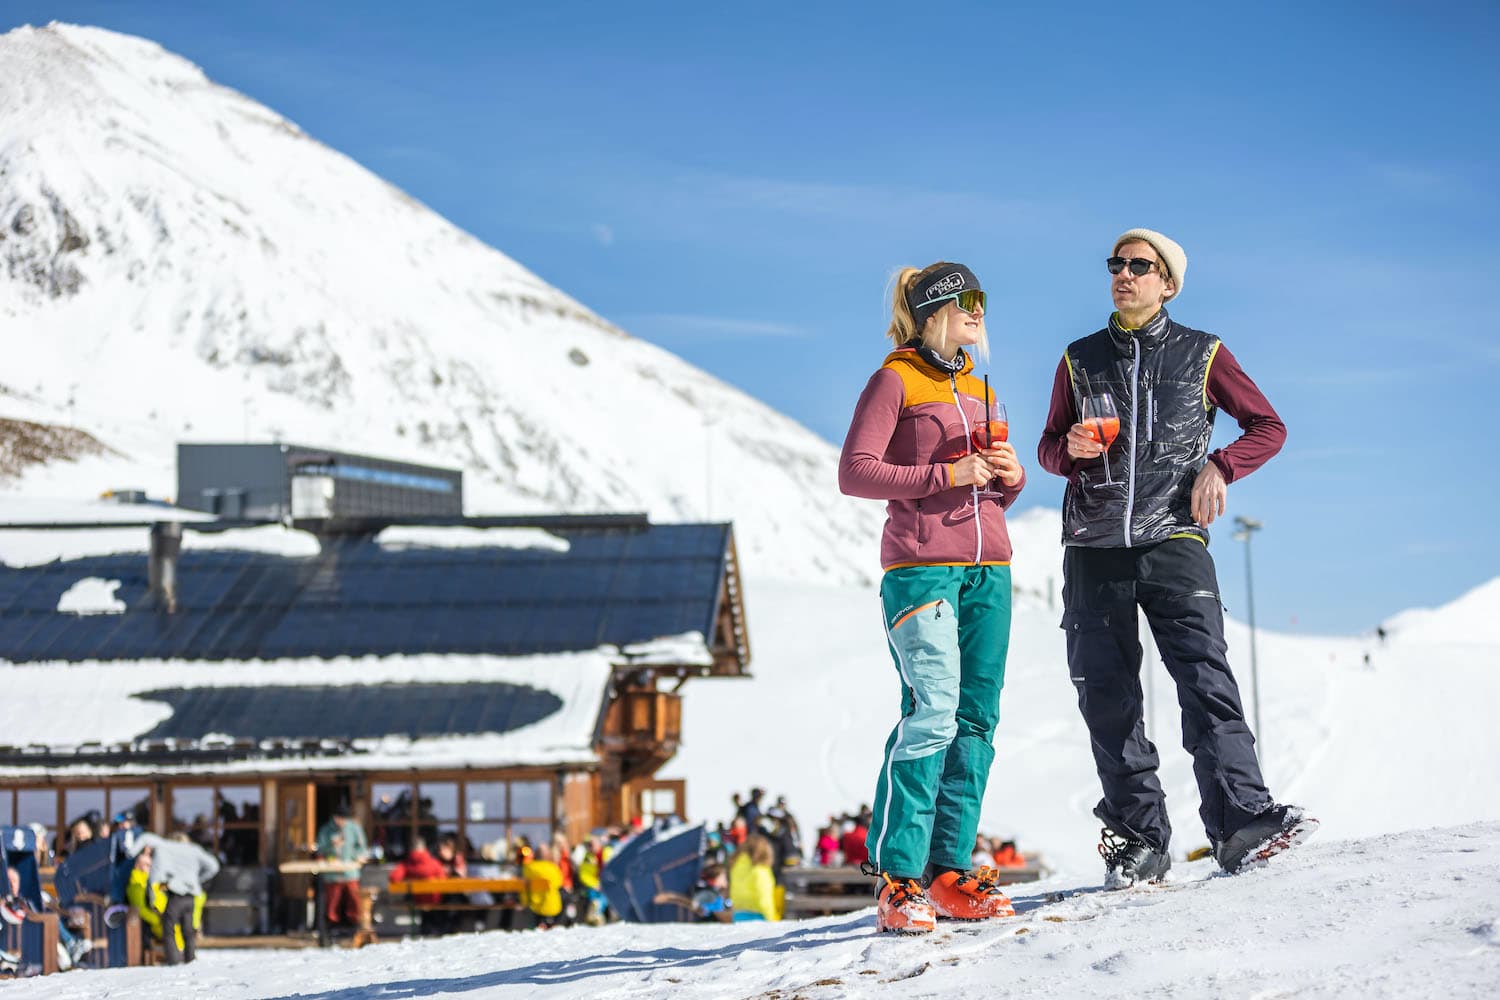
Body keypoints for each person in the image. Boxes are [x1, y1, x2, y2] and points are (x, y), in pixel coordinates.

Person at [1037, 227, 1317, 885]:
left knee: (1204, 678)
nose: (1124, 274)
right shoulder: (1079, 359)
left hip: (1175, 538)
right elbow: (1048, 448)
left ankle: (1243, 824)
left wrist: (1221, 466)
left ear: (1167, 283)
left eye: (1140, 265)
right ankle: (1137, 840)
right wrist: (1067, 448)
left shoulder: (1203, 353)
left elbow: (1268, 427)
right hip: (1093, 546)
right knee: (1106, 697)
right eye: (1117, 264)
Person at [838, 261, 1023, 934]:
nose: (980, 310)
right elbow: (856, 471)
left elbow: (989, 489)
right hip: (922, 568)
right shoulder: (895, 379)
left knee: (976, 719)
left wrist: (1010, 477)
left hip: (990, 569)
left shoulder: (980, 384)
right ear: (935, 310)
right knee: (934, 710)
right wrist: (948, 471)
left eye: (983, 299)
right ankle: (899, 879)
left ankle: (948, 873)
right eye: (968, 299)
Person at [127, 833, 218, 965]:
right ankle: (190, 960)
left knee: (168, 928)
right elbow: (214, 866)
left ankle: (173, 961)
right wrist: (197, 880)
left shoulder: (166, 848)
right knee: (188, 930)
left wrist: (131, 852)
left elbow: (146, 838)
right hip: (191, 896)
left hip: (176, 895)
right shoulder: (194, 850)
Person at [315, 803, 369, 936]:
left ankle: (354, 925)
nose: (342, 822)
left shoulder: (354, 828)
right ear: (334, 817)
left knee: (354, 899)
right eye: (339, 818)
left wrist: (356, 856)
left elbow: (362, 847)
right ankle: (332, 926)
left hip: (350, 872)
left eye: (344, 819)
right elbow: (319, 849)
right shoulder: (326, 830)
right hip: (332, 873)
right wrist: (331, 845)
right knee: (332, 902)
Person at [728, 834, 779, 922]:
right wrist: (771, 917)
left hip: (738, 914)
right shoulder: (760, 869)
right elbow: (763, 896)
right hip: (759, 915)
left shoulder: (736, 866)